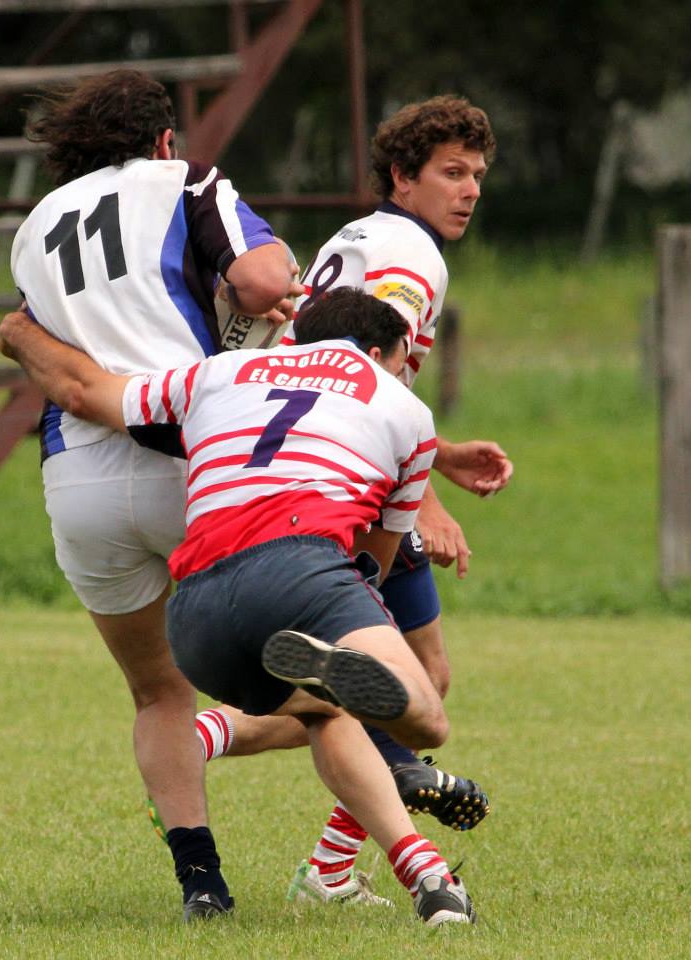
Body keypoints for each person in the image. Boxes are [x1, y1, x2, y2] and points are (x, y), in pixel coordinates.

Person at [0, 287, 482, 925]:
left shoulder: (220, 371)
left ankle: (430, 882)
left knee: (326, 709)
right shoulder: (403, 408)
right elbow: (376, 564)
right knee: (426, 717)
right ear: (378, 353)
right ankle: (354, 703)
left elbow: (86, 390)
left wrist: (20, 335)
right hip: (301, 564)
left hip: (195, 607)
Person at [195, 95, 512, 900]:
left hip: (299, 467)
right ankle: (217, 737)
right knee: (408, 683)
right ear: (403, 177)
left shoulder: (356, 238)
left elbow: (327, 370)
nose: (469, 189)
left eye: (476, 174)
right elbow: (374, 373)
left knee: (389, 682)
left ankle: (328, 861)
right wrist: (424, 499)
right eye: (451, 172)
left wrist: (437, 459)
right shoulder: (414, 255)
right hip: (356, 487)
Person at [7, 68, 299, 920]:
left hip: (81, 475)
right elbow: (260, 283)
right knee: (334, 656)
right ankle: (397, 804)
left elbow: (39, 340)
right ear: (164, 139)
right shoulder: (189, 180)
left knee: (158, 691)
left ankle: (201, 883)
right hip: (191, 455)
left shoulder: (35, 226)